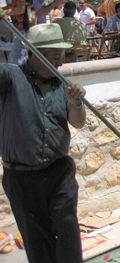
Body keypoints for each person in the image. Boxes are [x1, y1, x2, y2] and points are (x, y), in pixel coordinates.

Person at [0, 21, 87, 263]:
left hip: (60, 172)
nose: (61, 62)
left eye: (62, 56)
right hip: (21, 178)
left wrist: (76, 103)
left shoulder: (62, 85)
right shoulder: (10, 77)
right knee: (37, 240)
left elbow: (77, 123)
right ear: (37, 55)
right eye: (56, 56)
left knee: (68, 228)